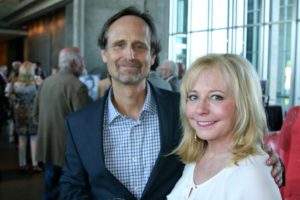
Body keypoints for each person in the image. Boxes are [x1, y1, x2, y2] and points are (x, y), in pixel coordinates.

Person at [59, 7, 283, 200]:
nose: (129, 54)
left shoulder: (187, 111)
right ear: (104, 54)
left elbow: (231, 150)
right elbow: (71, 189)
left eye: (140, 46)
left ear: (153, 56)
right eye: (119, 45)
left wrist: (270, 163)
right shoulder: (80, 124)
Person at [167, 54, 282, 199]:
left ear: (244, 105)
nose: (200, 109)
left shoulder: (251, 175)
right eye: (193, 97)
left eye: (216, 97)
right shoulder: (196, 158)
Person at [33, 47, 91, 200]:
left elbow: (35, 116)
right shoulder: (77, 87)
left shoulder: (45, 83)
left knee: (49, 191)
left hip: (47, 149)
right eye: (83, 61)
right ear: (73, 62)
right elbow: (85, 125)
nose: (84, 65)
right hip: (68, 154)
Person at [6, 61, 39, 171]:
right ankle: (35, 164)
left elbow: (9, 96)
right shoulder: (36, 83)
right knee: (34, 138)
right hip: (33, 112)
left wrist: (16, 103)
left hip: (20, 112)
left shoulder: (15, 83)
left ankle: (22, 163)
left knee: (21, 138)